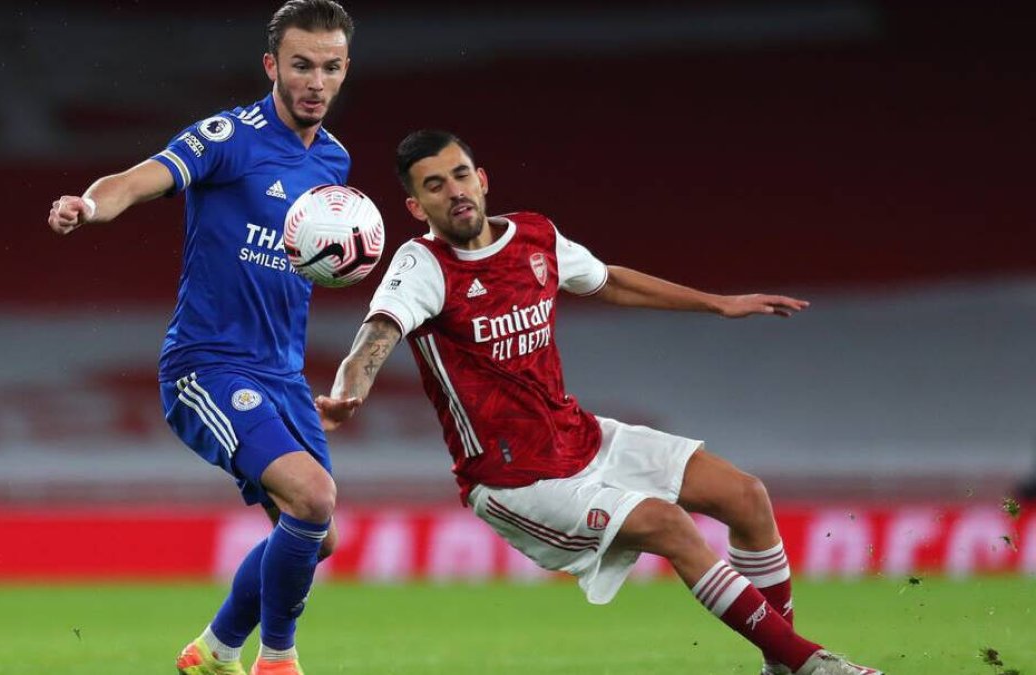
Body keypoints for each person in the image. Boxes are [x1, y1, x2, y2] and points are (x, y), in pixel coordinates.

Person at [317, 130, 885, 675]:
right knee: (670, 525)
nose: (454, 190)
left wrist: (718, 304)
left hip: (582, 437)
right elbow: (377, 335)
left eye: (460, 175)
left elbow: (606, 280)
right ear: (416, 207)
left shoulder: (535, 236)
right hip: (517, 481)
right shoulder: (421, 268)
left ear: (483, 179)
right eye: (434, 185)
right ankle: (812, 662)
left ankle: (779, 663)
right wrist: (349, 390)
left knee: (746, 496)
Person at [47, 2, 355, 674]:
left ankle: (212, 649)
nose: (315, 80)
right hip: (207, 364)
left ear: (344, 70)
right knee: (313, 497)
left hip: (282, 373)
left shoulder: (334, 162)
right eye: (301, 64)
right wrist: (91, 205)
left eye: (330, 67)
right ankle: (278, 658)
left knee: (317, 534)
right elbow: (135, 179)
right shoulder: (229, 136)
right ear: (272, 65)